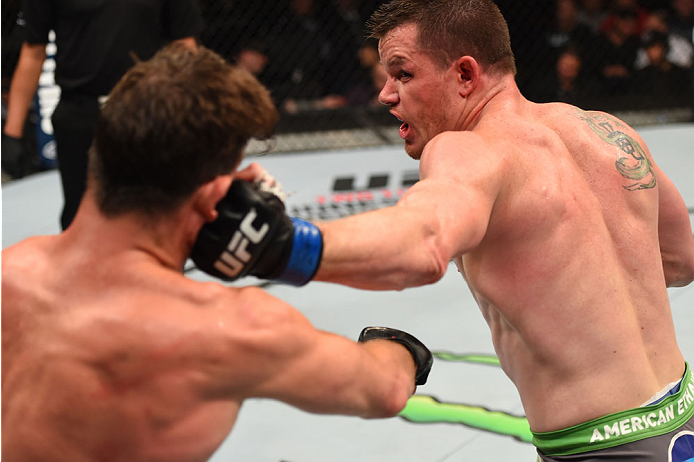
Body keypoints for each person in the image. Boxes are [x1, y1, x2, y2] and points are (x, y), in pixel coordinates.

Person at [198, 0, 694, 460]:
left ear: (464, 73)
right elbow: (680, 260)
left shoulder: (467, 150)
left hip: (603, 450)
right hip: (683, 421)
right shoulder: (606, 130)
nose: (385, 94)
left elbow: (422, 242)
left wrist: (283, 247)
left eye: (403, 74)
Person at [0, 44, 433, 462]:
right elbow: (384, 388)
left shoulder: (10, 270)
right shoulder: (228, 330)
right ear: (217, 199)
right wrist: (397, 346)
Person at [2, 0, 203, 230]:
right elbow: (33, 51)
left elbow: (185, 44)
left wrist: (193, 110)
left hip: (149, 110)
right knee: (80, 217)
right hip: (81, 111)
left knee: (156, 212)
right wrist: (12, 133)